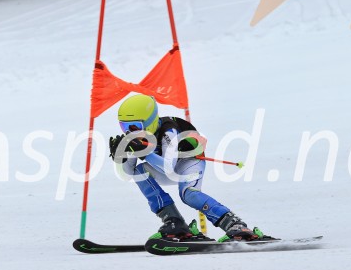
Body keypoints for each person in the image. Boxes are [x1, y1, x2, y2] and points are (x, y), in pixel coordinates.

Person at [108, 94, 258, 241]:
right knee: (140, 172)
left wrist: (145, 152)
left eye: (135, 126)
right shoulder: (135, 137)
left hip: (189, 162)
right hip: (165, 167)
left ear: (150, 121)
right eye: (124, 126)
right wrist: (121, 158)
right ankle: (174, 222)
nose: (130, 131)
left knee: (189, 195)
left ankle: (234, 224)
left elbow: (168, 167)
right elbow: (128, 173)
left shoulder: (169, 131)